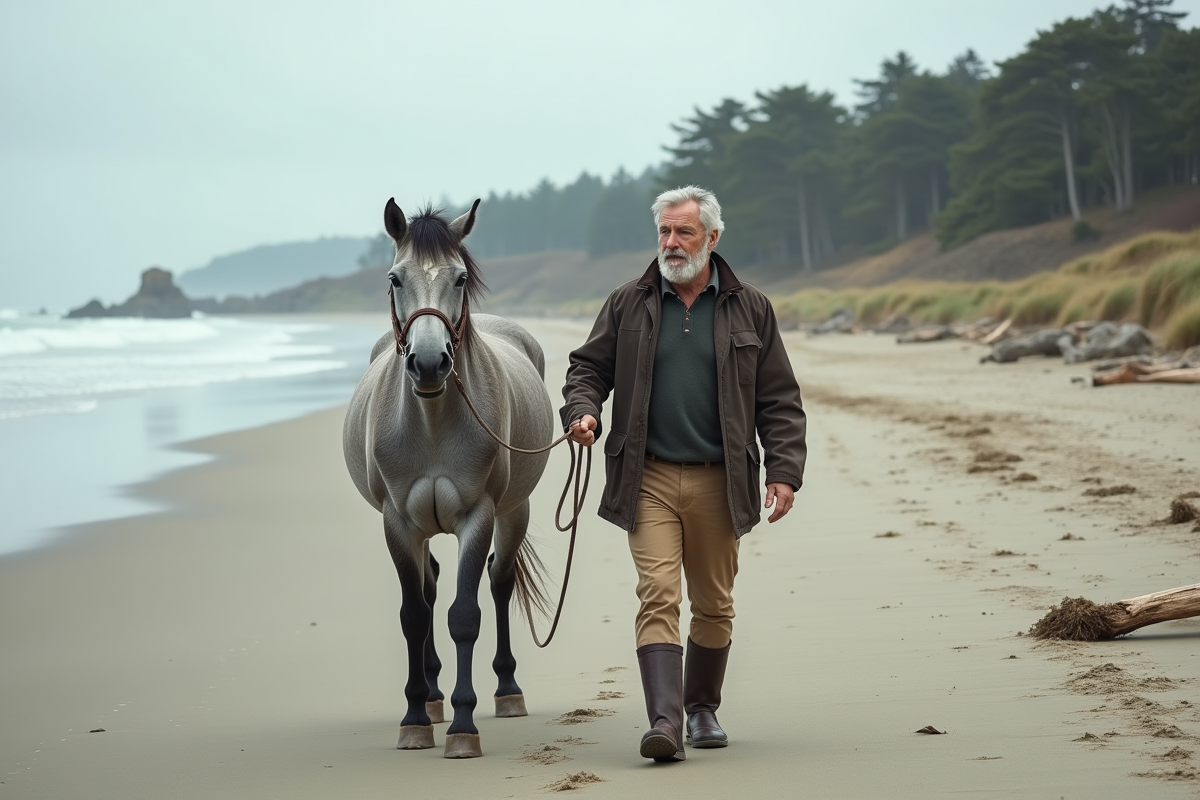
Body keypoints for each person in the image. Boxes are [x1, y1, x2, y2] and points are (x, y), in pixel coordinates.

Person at [560, 186, 807, 762]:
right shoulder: (628, 302)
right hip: (646, 479)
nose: (671, 243)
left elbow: (779, 399)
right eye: (664, 232)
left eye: (684, 232)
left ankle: (701, 709)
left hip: (723, 482)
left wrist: (784, 470)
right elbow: (587, 369)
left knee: (715, 603)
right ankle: (665, 723)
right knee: (658, 594)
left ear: (712, 238)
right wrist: (583, 411)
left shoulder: (751, 307)